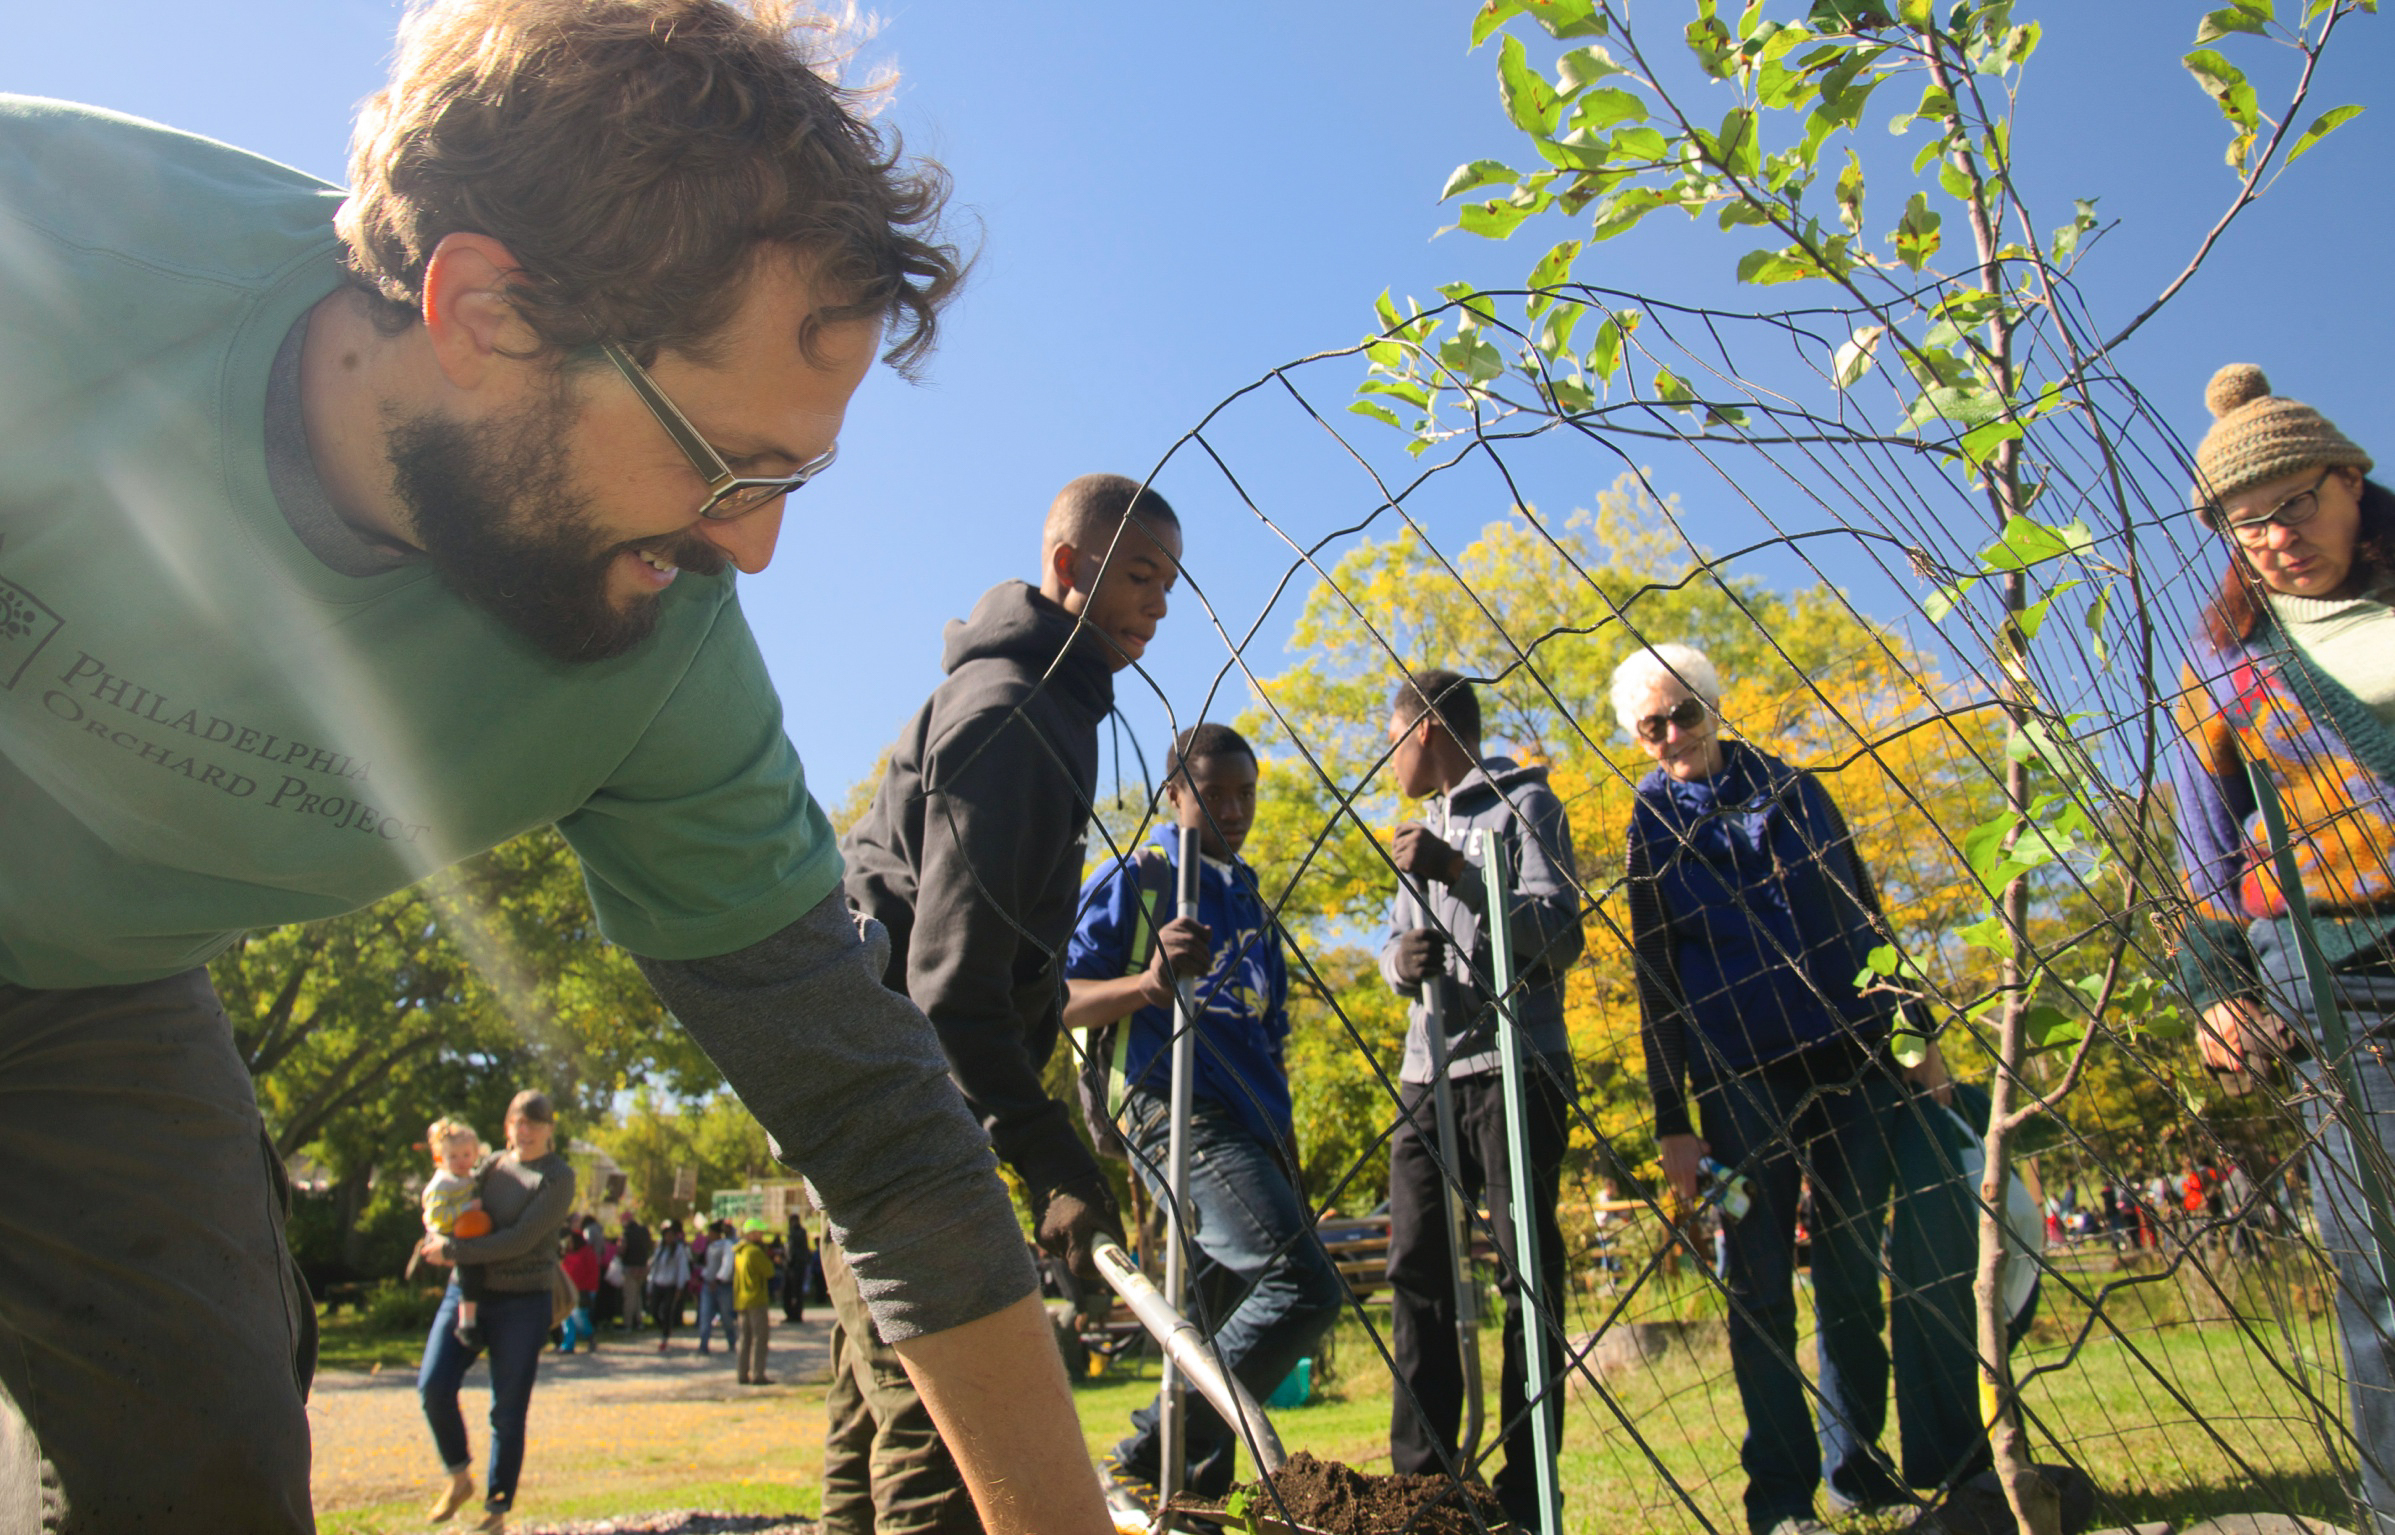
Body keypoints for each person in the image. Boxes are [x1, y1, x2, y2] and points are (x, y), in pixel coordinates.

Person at [0, 2, 1117, 1529]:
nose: (754, 544)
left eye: (791, 479)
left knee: (205, 1463)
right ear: (484, 314)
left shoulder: (662, 670)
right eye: (727, 462)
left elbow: (878, 1132)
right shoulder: (50, 252)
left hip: (87, 996)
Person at [830, 472, 1182, 1533]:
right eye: (1138, 575)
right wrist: (1055, 1163)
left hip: (879, 1075)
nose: (1156, 606)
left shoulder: (1049, 704)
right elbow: (949, 987)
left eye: (1169, 587)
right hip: (888, 1091)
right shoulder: (1017, 713)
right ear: (1068, 568)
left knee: (873, 1397)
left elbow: (1003, 975)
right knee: (944, 1424)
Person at [1616, 643, 1980, 1535]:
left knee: (1855, 1270)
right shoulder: (1649, 829)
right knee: (1759, 1289)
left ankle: (1859, 1466)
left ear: (1711, 705)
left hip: (1851, 1056)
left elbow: (1864, 915)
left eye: (1682, 714)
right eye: (1650, 726)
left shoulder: (1799, 792)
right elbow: (1655, 980)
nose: (1670, 736)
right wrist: (1673, 1121)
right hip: (1740, 1080)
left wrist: (1918, 1035)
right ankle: (1780, 1500)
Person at [2170, 362, 2395, 1530]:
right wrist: (2211, 990)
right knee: (2380, 1262)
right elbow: (2202, 852)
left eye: (2293, 505)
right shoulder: (2224, 664)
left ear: (2350, 479)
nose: (2273, 537)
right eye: (2243, 524)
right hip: (2335, 973)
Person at [1064, 722, 1346, 1510]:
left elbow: (1269, 1032)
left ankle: (1186, 1505)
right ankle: (1138, 1456)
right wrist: (1150, 985)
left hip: (1251, 1126)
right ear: (1173, 794)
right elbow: (1056, 997)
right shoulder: (1137, 876)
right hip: (1169, 1104)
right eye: (1213, 793)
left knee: (1210, 1322)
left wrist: (1286, 1150)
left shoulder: (1253, 896)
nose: (1232, 808)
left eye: (1245, 792)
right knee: (1301, 1285)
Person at [1377, 669, 1584, 1525]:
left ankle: (1525, 1490)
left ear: (1425, 729)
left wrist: (1460, 871)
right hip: (1427, 1075)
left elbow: (1558, 935)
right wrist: (1400, 963)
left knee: (1523, 1275)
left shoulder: (1525, 805)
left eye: (1391, 739)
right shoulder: (1417, 827)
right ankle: (1424, 1482)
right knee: (1415, 1269)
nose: (1387, 759)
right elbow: (1394, 941)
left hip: (1512, 1066)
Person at [417, 1090, 576, 1531]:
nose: (524, 1131)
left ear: (549, 1129)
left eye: (534, 1123)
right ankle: (458, 1477)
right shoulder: (489, 1166)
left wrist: (452, 1249)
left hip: (522, 1300)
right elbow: (448, 1195)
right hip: (466, 1292)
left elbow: (520, 1239)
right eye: (517, 1123)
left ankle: (497, 1510)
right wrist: (436, 1228)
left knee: (506, 1410)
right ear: (507, 1127)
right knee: (433, 1386)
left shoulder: (557, 1177)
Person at [422, 1117, 494, 1346]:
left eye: (466, 1155)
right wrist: (465, 1209)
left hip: (469, 1232)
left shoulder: (471, 1178)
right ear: (440, 1158)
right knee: (469, 1271)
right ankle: (467, 1323)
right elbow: (435, 1218)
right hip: (446, 1234)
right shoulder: (443, 1184)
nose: (461, 1161)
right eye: (453, 1156)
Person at [736, 1216, 777, 1385]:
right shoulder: (754, 1252)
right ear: (752, 1234)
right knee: (760, 1338)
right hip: (756, 1299)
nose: (762, 1235)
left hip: (741, 1300)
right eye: (759, 1232)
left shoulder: (739, 1251)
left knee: (744, 1339)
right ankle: (758, 1374)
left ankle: (742, 1373)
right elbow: (769, 1271)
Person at [648, 1219, 694, 1352]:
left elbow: (682, 1269)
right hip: (658, 1283)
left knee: (668, 1309)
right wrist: (650, 1284)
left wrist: (680, 1286)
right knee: (654, 1309)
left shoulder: (679, 1250)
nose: (668, 1238)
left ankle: (665, 1333)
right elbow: (654, 1268)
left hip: (671, 1284)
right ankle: (664, 1326)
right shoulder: (660, 1249)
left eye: (671, 1235)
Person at [697, 1217, 740, 1355]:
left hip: (723, 1286)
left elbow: (727, 1264)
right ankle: (703, 1345)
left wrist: (719, 1279)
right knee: (705, 1315)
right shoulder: (709, 1246)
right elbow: (708, 1266)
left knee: (726, 1316)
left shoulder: (726, 1245)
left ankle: (731, 1341)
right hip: (708, 1285)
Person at [558, 1227, 601, 1354]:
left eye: (571, 1241)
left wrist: (586, 1288)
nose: (569, 1244)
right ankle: (568, 1344)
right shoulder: (567, 1254)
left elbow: (591, 1273)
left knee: (579, 1316)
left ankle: (590, 1335)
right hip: (568, 1290)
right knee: (566, 1317)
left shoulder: (586, 1253)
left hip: (583, 1290)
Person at [616, 1212, 654, 1332]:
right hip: (643, 1268)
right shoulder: (644, 1231)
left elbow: (622, 1250)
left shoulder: (626, 1234)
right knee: (637, 1296)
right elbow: (650, 1246)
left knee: (629, 1297)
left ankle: (628, 1324)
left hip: (630, 1269)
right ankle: (639, 1322)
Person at [785, 1210, 814, 1324]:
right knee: (795, 1292)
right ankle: (794, 1314)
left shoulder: (795, 1233)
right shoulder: (800, 1232)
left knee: (793, 1291)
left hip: (795, 1266)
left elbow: (791, 1250)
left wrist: (789, 1262)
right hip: (798, 1265)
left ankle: (794, 1314)